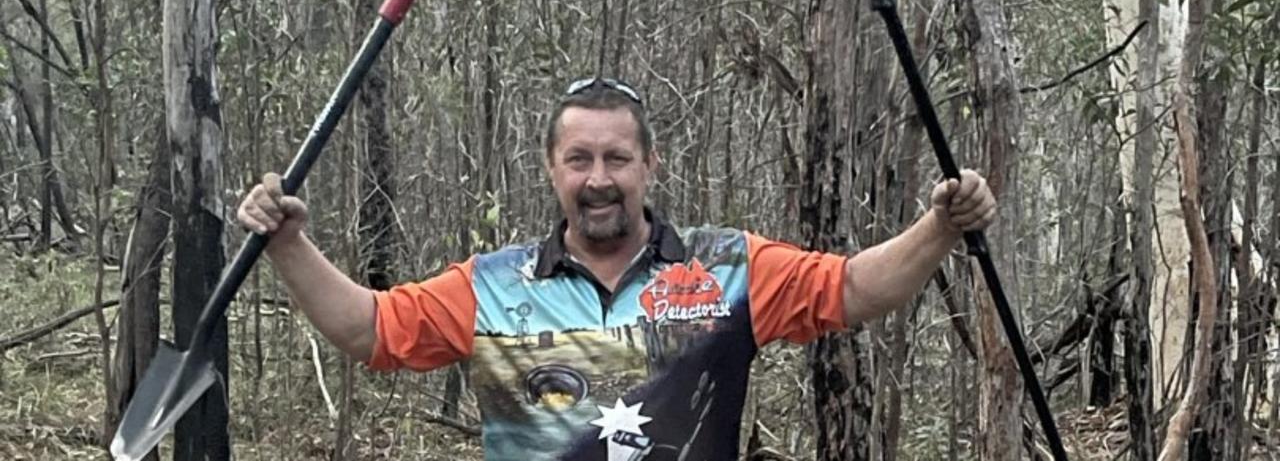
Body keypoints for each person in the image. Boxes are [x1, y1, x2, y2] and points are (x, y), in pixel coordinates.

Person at [238, 77, 996, 460]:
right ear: (551, 168)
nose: (598, 177)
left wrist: (939, 225)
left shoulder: (728, 265)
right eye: (579, 158)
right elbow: (369, 329)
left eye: (616, 157)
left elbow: (856, 288)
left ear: (648, 164)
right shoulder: (491, 285)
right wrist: (289, 245)